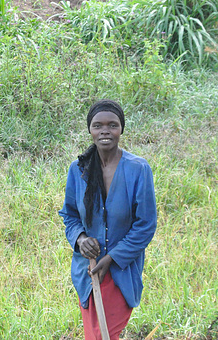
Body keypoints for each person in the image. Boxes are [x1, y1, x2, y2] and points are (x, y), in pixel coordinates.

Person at [59, 99, 157, 340]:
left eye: (112, 125)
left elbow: (146, 225)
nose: (105, 130)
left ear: (121, 129)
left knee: (105, 335)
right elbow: (69, 215)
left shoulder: (138, 169)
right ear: (90, 130)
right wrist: (81, 240)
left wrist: (112, 258)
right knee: (94, 335)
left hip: (120, 271)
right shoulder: (78, 169)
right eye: (98, 125)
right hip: (89, 271)